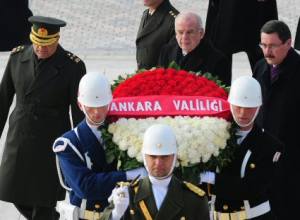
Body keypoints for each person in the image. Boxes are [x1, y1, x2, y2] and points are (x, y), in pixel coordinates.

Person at [0, 16, 86, 220]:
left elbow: (78, 111)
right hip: (19, 136)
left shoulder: (72, 66)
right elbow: (3, 99)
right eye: (37, 43)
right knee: (12, 189)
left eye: (46, 45)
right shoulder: (17, 58)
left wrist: (82, 147)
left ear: (57, 39)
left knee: (44, 197)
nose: (41, 48)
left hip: (51, 139)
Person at [53, 72, 147, 219]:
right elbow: (86, 187)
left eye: (102, 106)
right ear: (80, 105)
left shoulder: (124, 131)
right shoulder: (68, 144)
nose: (97, 112)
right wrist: (128, 176)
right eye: (90, 107)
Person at [200, 76, 283, 219]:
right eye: (238, 107)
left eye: (249, 108)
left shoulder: (271, 146)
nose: (243, 113)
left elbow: (250, 189)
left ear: (258, 107)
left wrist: (211, 178)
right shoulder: (213, 137)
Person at [101, 124, 210, 220]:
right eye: (153, 156)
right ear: (144, 157)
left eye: (165, 157)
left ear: (175, 157)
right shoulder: (127, 194)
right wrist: (115, 214)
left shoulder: (194, 199)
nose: (158, 163)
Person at [253, 20, 300, 220]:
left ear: (288, 44)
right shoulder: (260, 67)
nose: (267, 51)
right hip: (265, 153)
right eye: (263, 45)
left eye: (272, 45)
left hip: (292, 157)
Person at [205, 0, 278, 83]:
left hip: (251, 13)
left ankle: (268, 88)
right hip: (231, 13)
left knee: (260, 52)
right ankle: (220, 92)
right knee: (222, 55)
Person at [158, 11, 231, 85]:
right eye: (180, 32)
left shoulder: (218, 61)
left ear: (201, 33)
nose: (184, 37)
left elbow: (221, 94)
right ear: (176, 34)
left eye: (189, 32)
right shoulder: (166, 51)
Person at [136, 0, 179, 70]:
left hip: (159, 77)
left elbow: (173, 60)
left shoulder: (174, 20)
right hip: (144, 76)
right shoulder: (146, 13)